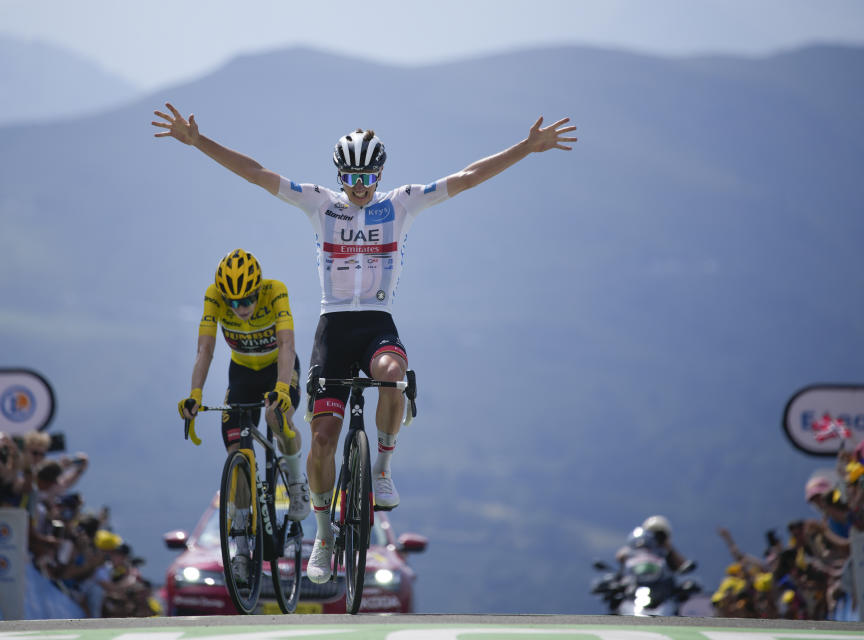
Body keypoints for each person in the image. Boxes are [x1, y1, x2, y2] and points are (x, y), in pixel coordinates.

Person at [153, 103, 577, 583]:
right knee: (322, 439)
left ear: (380, 173)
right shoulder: (320, 203)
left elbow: (468, 178)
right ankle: (323, 536)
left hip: (377, 323)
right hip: (333, 329)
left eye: (367, 177)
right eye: (351, 177)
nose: (359, 186)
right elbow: (255, 174)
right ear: (339, 174)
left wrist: (526, 146)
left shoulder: (401, 203)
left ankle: (382, 468)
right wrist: (198, 141)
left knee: (394, 376)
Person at [177, 249, 310, 527]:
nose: (241, 307)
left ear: (258, 289)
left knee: (278, 418)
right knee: (235, 451)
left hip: (279, 367)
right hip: (242, 374)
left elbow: (287, 344)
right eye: (233, 302)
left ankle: (297, 482)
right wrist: (195, 394)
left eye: (248, 298)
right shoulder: (213, 296)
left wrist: (283, 389)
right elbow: (205, 349)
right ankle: (239, 538)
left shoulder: (275, 291)